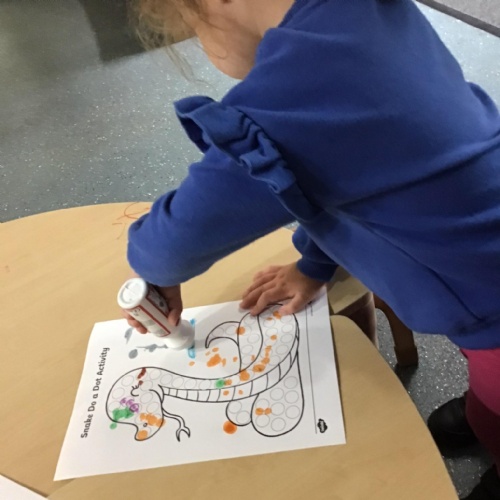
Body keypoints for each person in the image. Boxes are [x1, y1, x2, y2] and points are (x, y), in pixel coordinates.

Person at [123, 1, 500, 498]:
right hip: (479, 265)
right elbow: (372, 178)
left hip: (492, 312)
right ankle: (483, 405)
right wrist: (314, 264)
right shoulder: (361, 15)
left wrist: (150, 267)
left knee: (495, 417)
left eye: (193, 32)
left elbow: (179, 238)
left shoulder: (295, 95)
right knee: (486, 390)